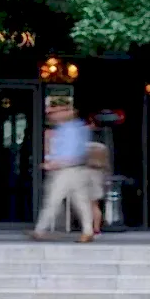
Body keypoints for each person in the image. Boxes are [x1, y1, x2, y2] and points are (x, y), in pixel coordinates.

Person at [34, 103, 95, 241]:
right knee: (80, 201)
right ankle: (88, 231)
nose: (52, 115)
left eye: (56, 112)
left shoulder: (71, 129)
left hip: (66, 170)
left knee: (54, 200)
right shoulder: (68, 128)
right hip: (72, 169)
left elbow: (72, 152)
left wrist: (55, 163)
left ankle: (40, 230)